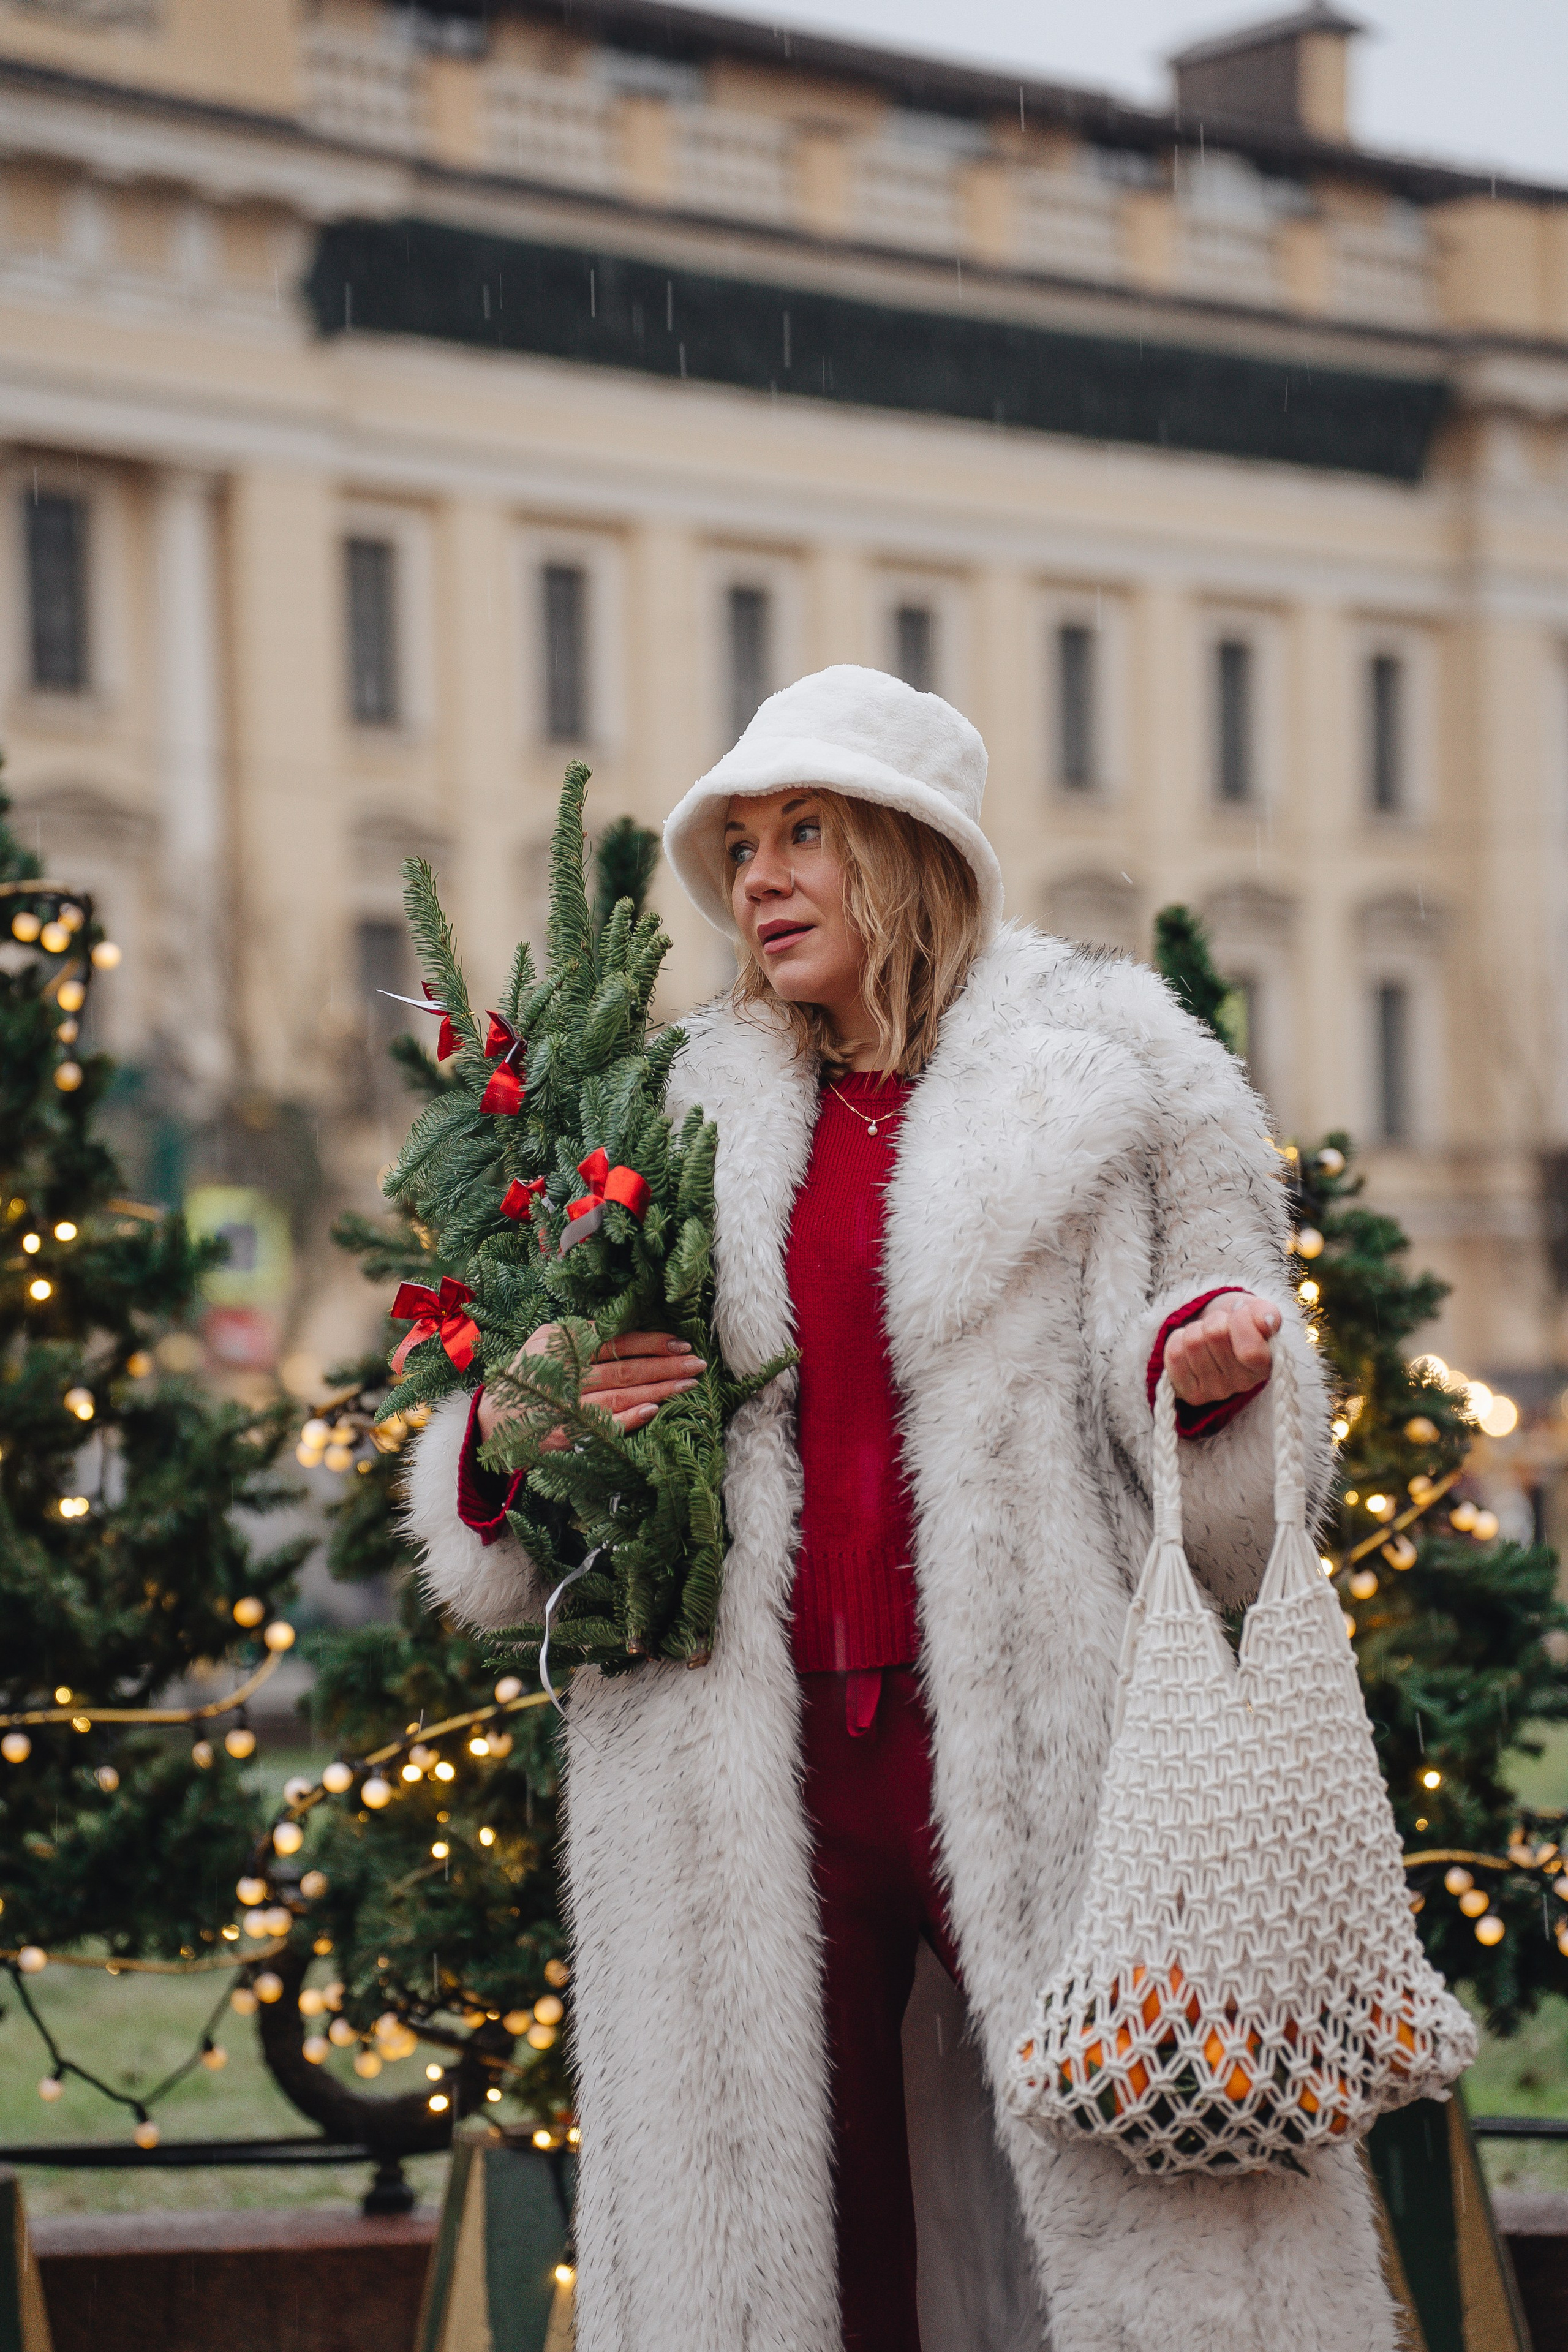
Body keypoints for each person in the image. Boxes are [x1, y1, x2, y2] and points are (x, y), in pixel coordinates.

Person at [405, 666, 1396, 2352]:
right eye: (742, 847)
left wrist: (1214, 1375)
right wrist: (506, 1430)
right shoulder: (665, 1117)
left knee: (1147, 2209)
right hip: (738, 1765)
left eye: (806, 833)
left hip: (1047, 1736)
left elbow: (1243, 1481)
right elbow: (540, 1509)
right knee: (797, 2265)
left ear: (910, 848)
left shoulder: (1128, 1078)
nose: (760, 879)